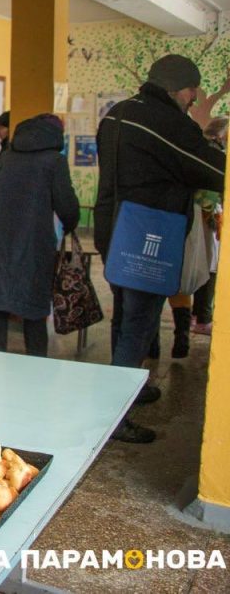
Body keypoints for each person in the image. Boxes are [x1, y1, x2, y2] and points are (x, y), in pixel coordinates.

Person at [94, 54, 225, 444]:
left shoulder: (118, 112)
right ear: (180, 88)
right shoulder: (165, 120)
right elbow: (212, 170)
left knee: (126, 315)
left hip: (112, 227)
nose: (192, 99)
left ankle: (129, 385)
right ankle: (116, 415)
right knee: (139, 321)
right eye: (192, 91)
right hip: (147, 234)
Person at [0, 114, 80, 357]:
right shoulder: (54, 161)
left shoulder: (6, 157)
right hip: (34, 240)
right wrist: (70, 224)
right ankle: (36, 365)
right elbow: (66, 205)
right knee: (33, 305)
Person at [192, 117, 228, 336]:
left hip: (197, 213)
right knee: (210, 266)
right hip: (208, 214)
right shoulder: (216, 155)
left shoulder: (199, 149)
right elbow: (212, 193)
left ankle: (195, 315)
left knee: (199, 264)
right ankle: (203, 319)